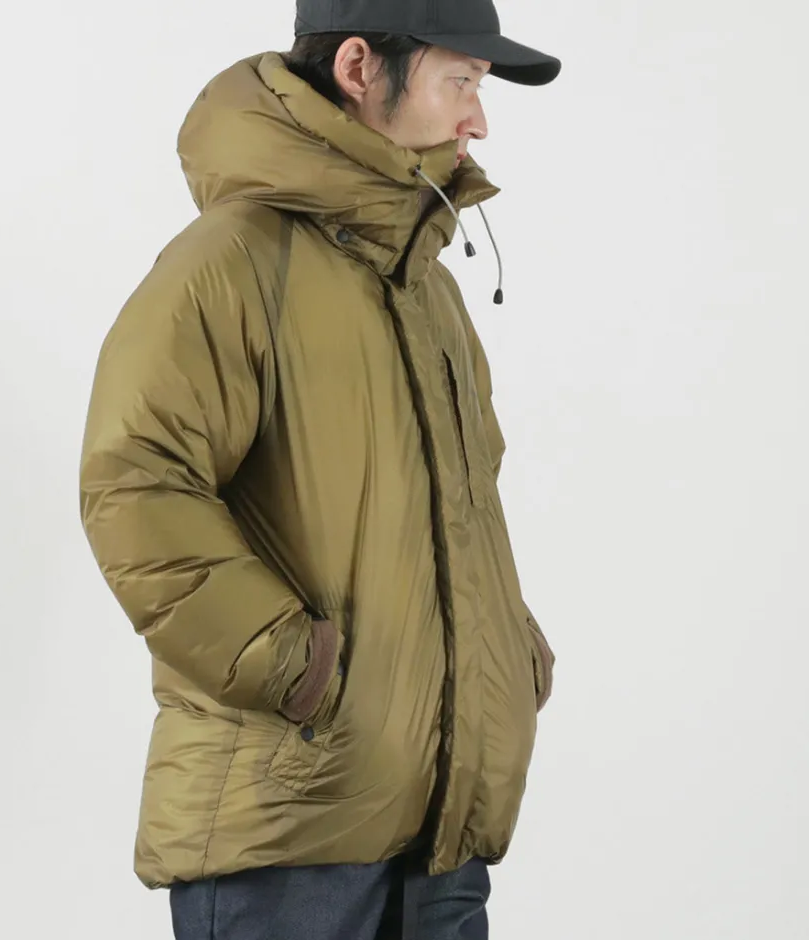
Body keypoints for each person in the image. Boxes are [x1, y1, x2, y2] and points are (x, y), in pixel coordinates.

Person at [79, 1, 560, 937]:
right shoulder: (231, 263)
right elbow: (135, 481)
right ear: (358, 67)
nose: (479, 120)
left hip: (444, 830)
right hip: (289, 839)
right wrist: (290, 665)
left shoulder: (425, 288)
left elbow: (465, 506)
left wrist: (507, 649)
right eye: (461, 81)